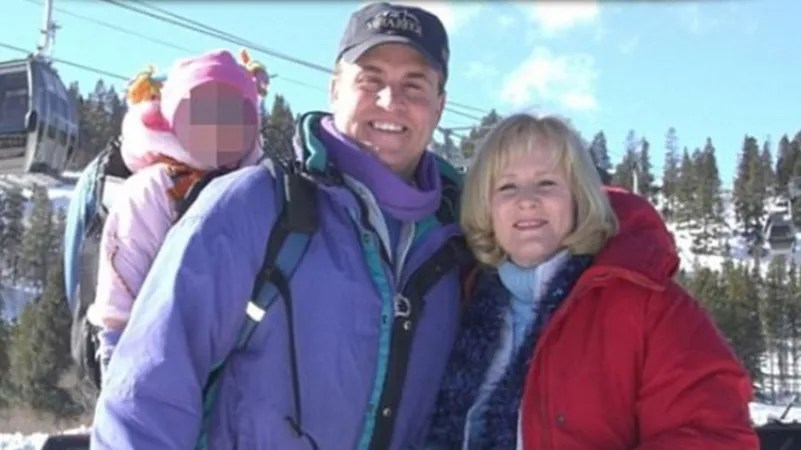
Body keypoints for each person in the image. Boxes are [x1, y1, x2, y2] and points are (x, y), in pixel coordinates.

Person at [91, 3, 471, 450]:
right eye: (370, 80)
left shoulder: (462, 243)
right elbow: (147, 395)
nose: (391, 101)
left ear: (440, 105)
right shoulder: (253, 207)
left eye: (414, 85)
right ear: (335, 89)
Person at [424, 113, 759, 449]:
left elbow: (716, 435)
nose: (527, 199)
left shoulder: (649, 305)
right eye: (507, 187)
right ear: (486, 207)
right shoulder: (456, 301)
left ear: (578, 198)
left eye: (546, 183)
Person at [86, 49, 267, 376]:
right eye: (202, 112)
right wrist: (118, 370)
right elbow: (120, 294)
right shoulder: (152, 190)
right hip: (154, 361)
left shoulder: (258, 190)